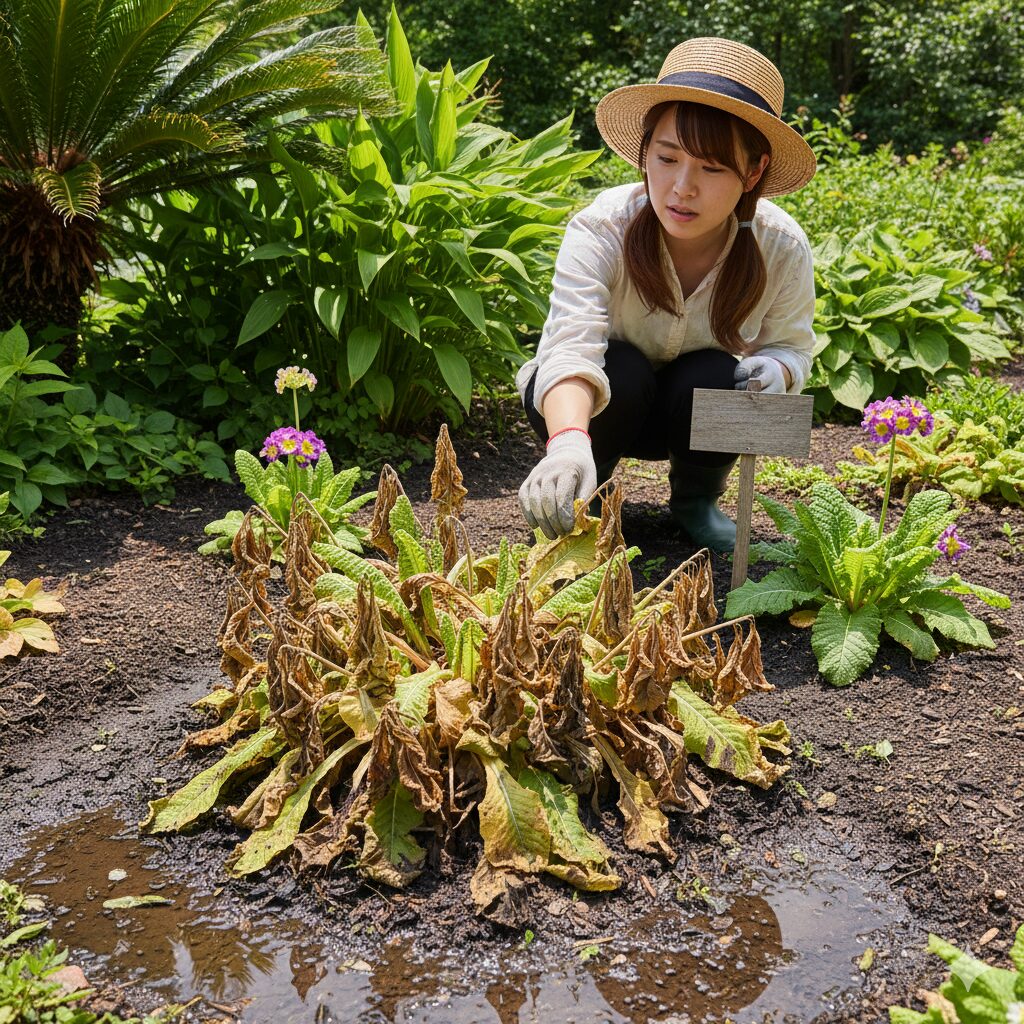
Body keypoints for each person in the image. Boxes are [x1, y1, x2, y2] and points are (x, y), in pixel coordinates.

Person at [517, 37, 818, 551]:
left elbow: (792, 347)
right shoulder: (602, 229)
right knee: (624, 367)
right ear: (644, 151)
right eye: (667, 157)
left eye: (712, 167)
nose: (682, 187)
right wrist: (567, 444)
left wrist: (778, 370)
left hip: (692, 413)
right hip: (599, 406)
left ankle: (696, 500)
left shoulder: (780, 246)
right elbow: (570, 347)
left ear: (753, 171)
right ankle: (586, 484)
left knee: (718, 373)